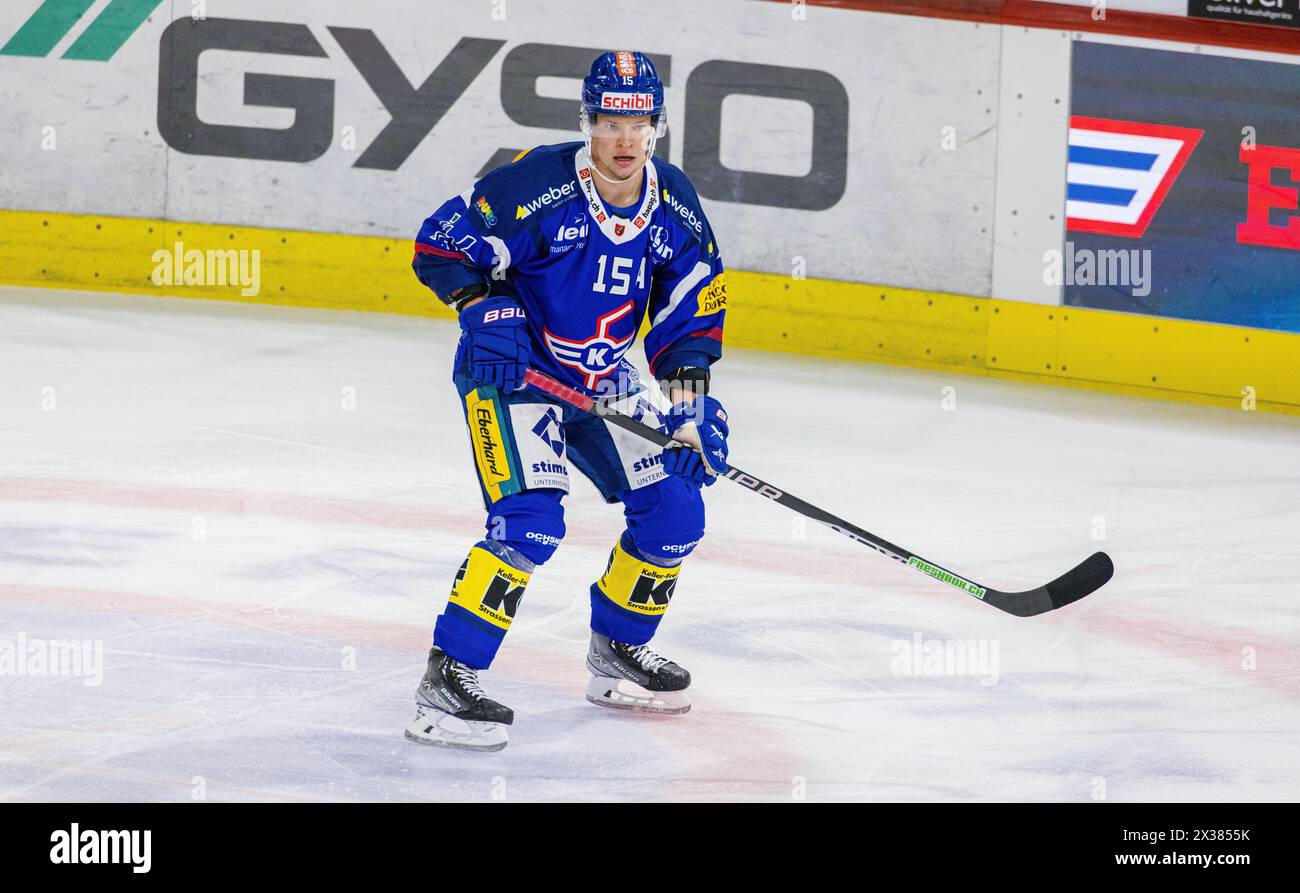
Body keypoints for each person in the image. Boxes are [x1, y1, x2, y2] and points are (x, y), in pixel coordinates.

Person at [406, 50, 729, 751]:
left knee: (676, 507)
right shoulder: (536, 187)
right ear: (587, 121)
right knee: (529, 524)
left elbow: (689, 314)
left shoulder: (671, 200)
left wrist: (691, 401)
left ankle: (617, 648)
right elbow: (442, 242)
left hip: (602, 375)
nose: (622, 138)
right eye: (608, 120)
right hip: (516, 373)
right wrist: (481, 304)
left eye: (636, 122)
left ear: (657, 127)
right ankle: (447, 679)